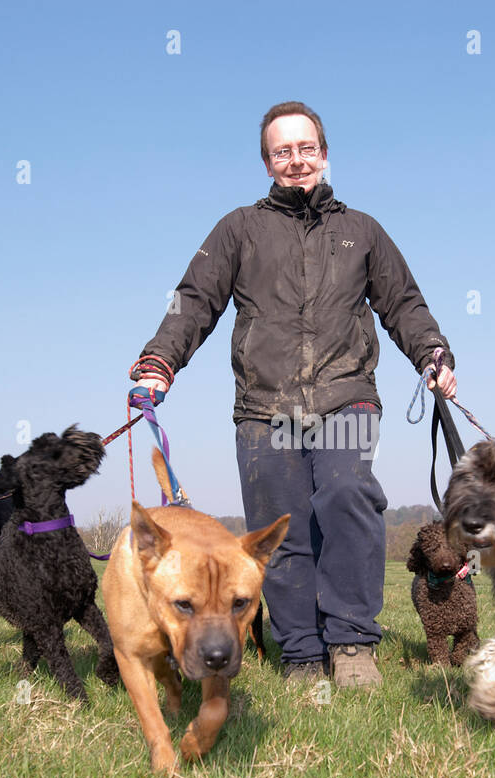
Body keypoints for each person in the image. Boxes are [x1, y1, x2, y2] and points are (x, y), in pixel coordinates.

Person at [132, 101, 457, 688]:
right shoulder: (239, 229)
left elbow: (403, 303)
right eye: (282, 151)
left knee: (348, 496)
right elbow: (194, 300)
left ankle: (353, 645)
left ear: (325, 155)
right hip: (266, 405)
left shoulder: (362, 231)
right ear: (267, 163)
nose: (296, 160)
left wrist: (432, 353)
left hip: (346, 395)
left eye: (306, 148)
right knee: (280, 528)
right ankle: (302, 653)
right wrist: (160, 359)